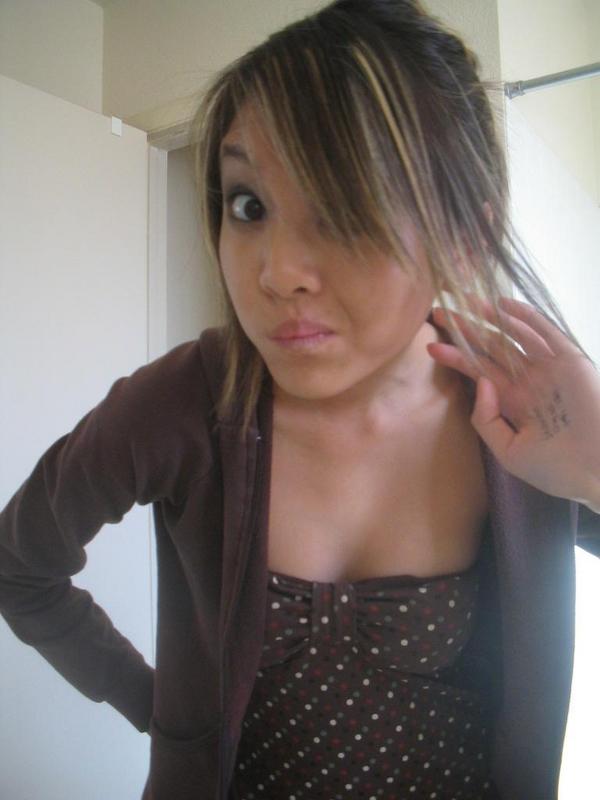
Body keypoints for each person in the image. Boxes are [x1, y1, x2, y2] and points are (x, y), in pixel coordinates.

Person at [1, 1, 599, 798]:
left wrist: (597, 465)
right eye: (248, 205)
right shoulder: (180, 405)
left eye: (346, 205)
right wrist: (163, 714)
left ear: (464, 237)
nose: (277, 271)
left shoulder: (524, 410)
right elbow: (19, 567)